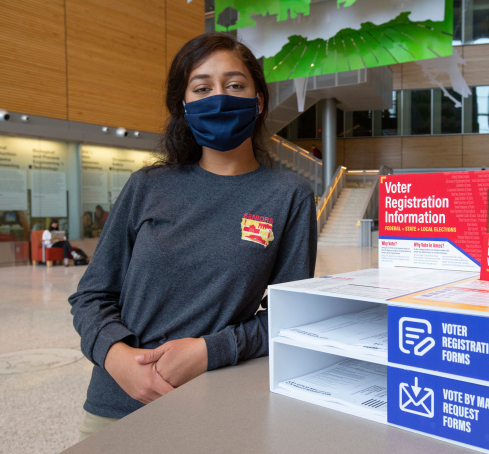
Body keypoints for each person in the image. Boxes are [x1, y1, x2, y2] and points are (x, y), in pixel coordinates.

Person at [69, 32, 317, 441]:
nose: (219, 97)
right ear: (184, 106)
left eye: (235, 85)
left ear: (258, 101)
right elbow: (92, 295)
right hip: (116, 406)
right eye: (202, 88)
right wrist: (118, 358)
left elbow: (289, 318)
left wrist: (207, 351)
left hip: (216, 405)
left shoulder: (288, 196)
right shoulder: (148, 186)